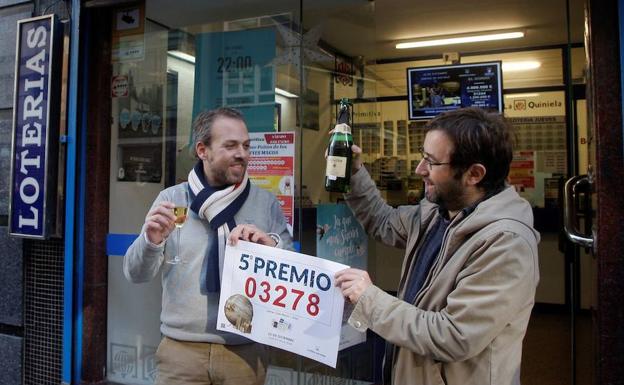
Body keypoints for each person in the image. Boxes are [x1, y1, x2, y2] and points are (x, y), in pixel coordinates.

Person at [334, 107, 540, 385]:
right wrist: (353, 169)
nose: (420, 169)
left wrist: (370, 299)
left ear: (474, 174)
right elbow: (382, 221)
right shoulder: (436, 212)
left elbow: (454, 335)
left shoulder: (506, 244)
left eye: (431, 162)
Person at [124, 107, 293, 385]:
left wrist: (270, 246)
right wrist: (150, 242)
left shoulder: (265, 203)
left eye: (246, 145)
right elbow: (136, 274)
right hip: (181, 352)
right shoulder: (172, 199)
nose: (242, 153)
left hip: (245, 353)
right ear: (203, 150)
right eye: (230, 145)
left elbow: (291, 266)